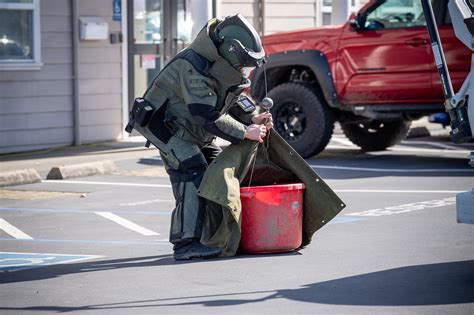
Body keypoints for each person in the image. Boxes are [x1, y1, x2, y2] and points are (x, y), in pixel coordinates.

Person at [142, 14, 273, 260]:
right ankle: (185, 244)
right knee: (192, 173)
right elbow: (205, 114)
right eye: (244, 63)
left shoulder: (217, 63)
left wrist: (252, 118)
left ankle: (209, 234)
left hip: (190, 127)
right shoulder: (193, 66)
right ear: (231, 52)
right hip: (166, 128)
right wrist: (245, 132)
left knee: (218, 167)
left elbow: (230, 97)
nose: (244, 70)